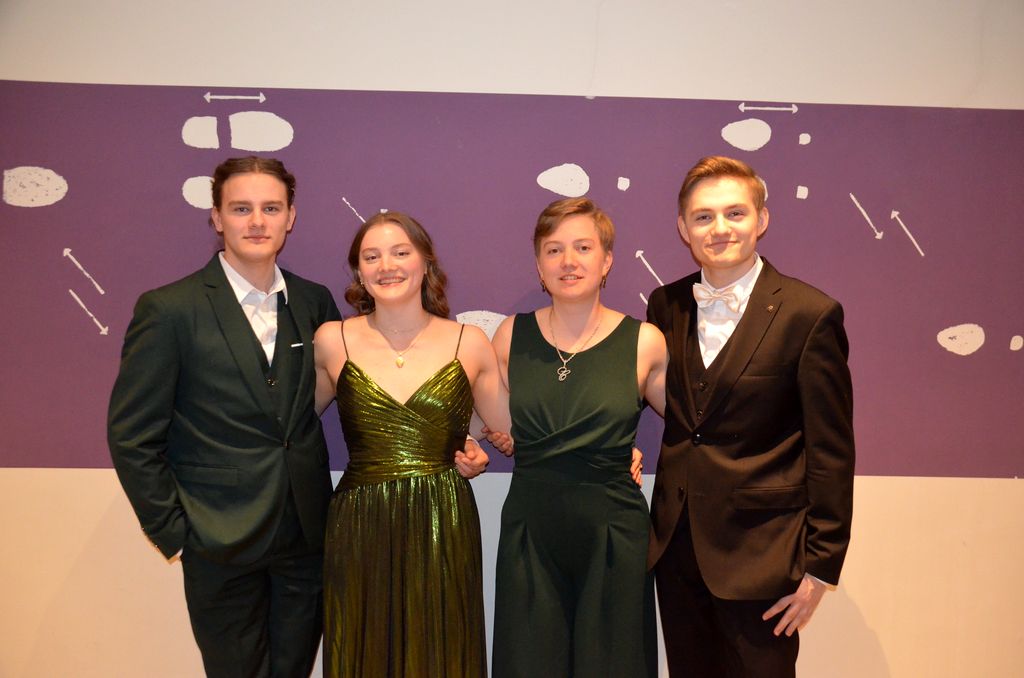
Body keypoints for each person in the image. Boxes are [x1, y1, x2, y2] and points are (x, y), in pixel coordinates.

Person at [108, 156, 340, 677]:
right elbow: (132, 435)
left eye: (270, 208)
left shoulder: (314, 301)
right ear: (217, 217)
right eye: (241, 208)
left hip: (306, 536)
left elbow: (333, 396)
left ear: (290, 217)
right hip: (217, 538)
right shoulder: (169, 309)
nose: (257, 221)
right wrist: (175, 531)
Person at [646, 155, 855, 677]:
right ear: (683, 228)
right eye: (703, 216)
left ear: (762, 219)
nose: (719, 228)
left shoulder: (810, 314)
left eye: (734, 213)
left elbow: (830, 450)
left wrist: (820, 567)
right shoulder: (665, 305)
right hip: (677, 551)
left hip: (765, 556)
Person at [313, 211, 508, 678]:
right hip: (360, 521)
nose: (387, 266)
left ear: (425, 263)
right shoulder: (332, 340)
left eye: (401, 252)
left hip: (442, 517)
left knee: (441, 648)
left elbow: (514, 427)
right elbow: (291, 428)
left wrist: (609, 443)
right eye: (372, 256)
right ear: (359, 271)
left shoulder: (469, 342)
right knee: (365, 646)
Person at [489, 197, 667, 677]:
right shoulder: (509, 335)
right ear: (539, 265)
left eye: (583, 247)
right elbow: (485, 420)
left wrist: (624, 447)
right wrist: (475, 444)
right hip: (531, 531)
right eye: (554, 250)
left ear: (607, 260)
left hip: (614, 535)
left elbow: (695, 430)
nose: (568, 261)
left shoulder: (645, 341)